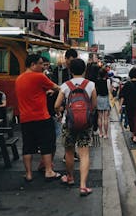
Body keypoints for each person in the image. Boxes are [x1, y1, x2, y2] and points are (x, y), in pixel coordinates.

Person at [15, 54, 61, 182]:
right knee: (47, 144)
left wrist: (44, 92)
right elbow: (57, 88)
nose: (42, 66)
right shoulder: (39, 77)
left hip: (25, 118)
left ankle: (28, 174)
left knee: (27, 146)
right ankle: (49, 171)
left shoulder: (19, 79)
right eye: (40, 64)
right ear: (32, 65)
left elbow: (32, 93)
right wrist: (51, 91)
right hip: (41, 117)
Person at [54, 58, 97, 196]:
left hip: (69, 123)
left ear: (70, 70)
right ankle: (83, 186)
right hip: (85, 124)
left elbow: (56, 105)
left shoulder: (65, 85)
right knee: (84, 154)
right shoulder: (90, 85)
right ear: (84, 70)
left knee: (69, 152)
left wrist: (60, 112)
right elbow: (94, 105)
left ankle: (70, 177)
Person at [95, 68, 112, 139]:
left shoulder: (97, 81)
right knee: (105, 118)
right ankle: (105, 134)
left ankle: (100, 133)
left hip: (98, 98)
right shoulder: (108, 81)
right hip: (106, 98)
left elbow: (95, 90)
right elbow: (110, 90)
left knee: (99, 117)